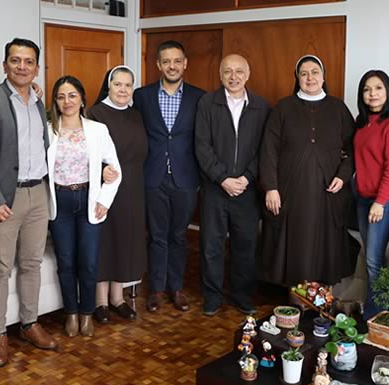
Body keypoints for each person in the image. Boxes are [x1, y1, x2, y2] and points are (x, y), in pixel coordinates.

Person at [0, 38, 58, 368]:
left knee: (32, 262)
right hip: (4, 197)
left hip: (39, 194)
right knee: (0, 267)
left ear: (37, 67)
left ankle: (30, 324)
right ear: (4, 65)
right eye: (16, 60)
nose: (22, 66)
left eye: (28, 61)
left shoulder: (37, 101)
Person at [259, 55, 357, 287]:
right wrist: (271, 188)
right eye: (304, 74)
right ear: (297, 78)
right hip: (291, 194)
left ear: (323, 77)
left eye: (315, 72)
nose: (310, 78)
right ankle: (296, 303)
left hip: (328, 195)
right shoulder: (283, 108)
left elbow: (353, 149)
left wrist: (343, 176)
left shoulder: (338, 108)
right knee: (295, 250)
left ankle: (321, 303)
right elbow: (268, 150)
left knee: (325, 251)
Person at [194, 54, 270, 316]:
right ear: (221, 75)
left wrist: (247, 178)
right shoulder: (207, 103)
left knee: (245, 246)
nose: (233, 76)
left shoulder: (261, 106)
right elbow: (201, 146)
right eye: (228, 71)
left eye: (239, 71)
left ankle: (242, 296)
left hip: (247, 191)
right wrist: (222, 179)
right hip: (215, 189)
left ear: (248, 75)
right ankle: (212, 297)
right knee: (211, 246)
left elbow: (265, 149)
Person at [133, 40, 205, 312]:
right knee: (157, 235)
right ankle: (157, 289)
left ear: (185, 63)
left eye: (177, 61)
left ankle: (176, 287)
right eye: (166, 61)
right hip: (153, 176)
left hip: (185, 177)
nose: (172, 66)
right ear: (158, 65)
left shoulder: (200, 97)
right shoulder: (142, 96)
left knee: (178, 235)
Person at [47, 75, 121, 337]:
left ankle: (87, 313)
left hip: (89, 200)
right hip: (60, 202)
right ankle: (71, 313)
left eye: (72, 95)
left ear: (81, 99)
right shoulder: (47, 130)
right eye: (61, 97)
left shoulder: (97, 130)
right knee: (66, 262)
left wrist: (104, 200)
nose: (67, 101)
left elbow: (115, 169)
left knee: (88, 262)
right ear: (55, 102)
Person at [86, 66, 146, 323]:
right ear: (108, 85)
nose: (123, 89)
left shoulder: (136, 115)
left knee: (125, 240)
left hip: (133, 188)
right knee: (105, 242)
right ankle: (100, 301)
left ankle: (117, 298)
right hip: (105, 189)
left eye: (128, 85)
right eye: (118, 84)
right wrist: (102, 171)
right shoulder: (95, 113)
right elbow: (86, 152)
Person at [352, 70, 389, 321]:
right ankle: (373, 310)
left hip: (382, 201)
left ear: (388, 92)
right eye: (367, 89)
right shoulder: (361, 122)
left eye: (378, 88)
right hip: (362, 199)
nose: (372, 94)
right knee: (370, 258)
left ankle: (376, 318)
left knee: (374, 261)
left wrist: (380, 202)